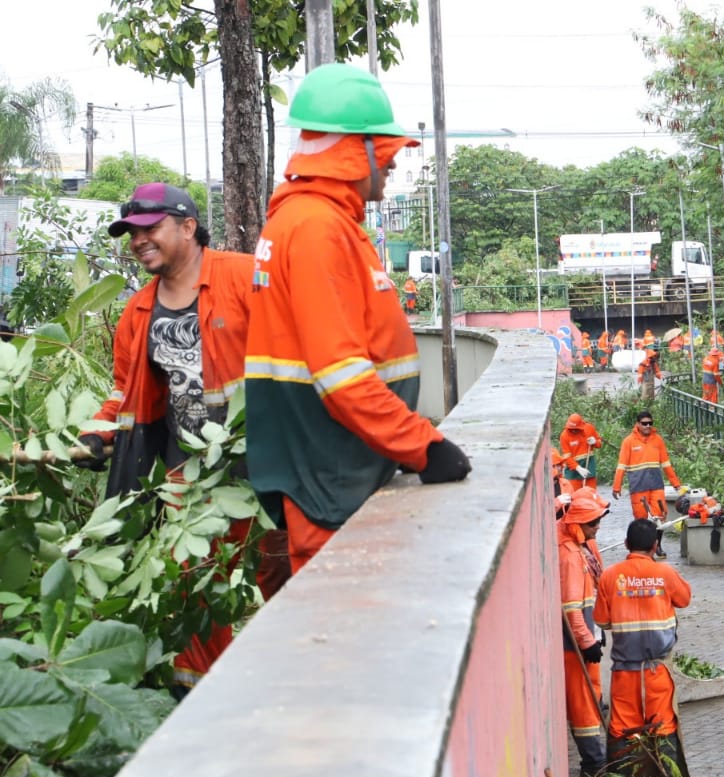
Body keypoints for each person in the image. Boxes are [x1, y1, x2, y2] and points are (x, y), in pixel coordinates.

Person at [245, 63, 471, 575]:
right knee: (343, 637)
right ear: (355, 151)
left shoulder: (319, 222)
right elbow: (340, 375)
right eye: (384, 152)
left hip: (336, 470)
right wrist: (424, 447)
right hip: (330, 481)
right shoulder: (316, 230)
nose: (391, 164)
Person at [75, 182, 262, 696]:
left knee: (278, 570)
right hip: (189, 474)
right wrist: (97, 431)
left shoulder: (246, 277)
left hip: (263, 464)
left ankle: (305, 684)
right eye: (131, 233)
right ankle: (202, 699)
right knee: (193, 587)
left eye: (149, 229)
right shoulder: (138, 311)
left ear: (187, 226)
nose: (137, 241)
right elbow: (126, 389)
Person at [594, 518, 693, 777]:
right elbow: (684, 600)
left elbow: (601, 620)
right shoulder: (666, 573)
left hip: (625, 673)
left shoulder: (610, 576)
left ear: (626, 544)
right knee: (662, 728)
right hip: (657, 672)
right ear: (656, 545)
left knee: (623, 729)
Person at [558, 487, 611, 777]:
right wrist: (588, 642)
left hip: (585, 637)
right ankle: (593, 761)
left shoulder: (580, 548)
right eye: (593, 523)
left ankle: (597, 756)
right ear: (578, 525)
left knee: (592, 700)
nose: (598, 527)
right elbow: (571, 607)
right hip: (576, 643)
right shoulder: (569, 556)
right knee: (583, 706)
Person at [612, 410, 684, 558]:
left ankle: (657, 546)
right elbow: (621, 466)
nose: (648, 426)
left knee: (659, 518)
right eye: (644, 423)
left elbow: (666, 464)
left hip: (656, 485)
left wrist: (676, 484)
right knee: (642, 520)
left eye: (650, 423)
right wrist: (616, 487)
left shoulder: (657, 440)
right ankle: (644, 551)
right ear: (638, 424)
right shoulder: (629, 442)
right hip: (638, 488)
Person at [559, 412, 603, 490]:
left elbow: (599, 444)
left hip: (588, 465)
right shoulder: (564, 436)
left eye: (576, 429)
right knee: (573, 496)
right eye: (571, 429)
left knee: (590, 494)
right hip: (572, 469)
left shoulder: (589, 428)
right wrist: (578, 468)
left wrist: (595, 442)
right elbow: (567, 457)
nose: (573, 431)